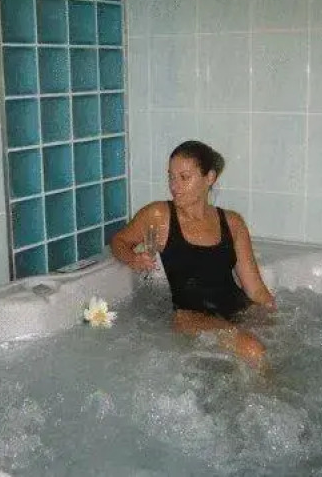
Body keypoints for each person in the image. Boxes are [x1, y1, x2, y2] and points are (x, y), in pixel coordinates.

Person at [111, 140, 276, 368]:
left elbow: (256, 289)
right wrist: (133, 259)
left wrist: (274, 319)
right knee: (253, 349)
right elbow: (119, 241)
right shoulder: (159, 216)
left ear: (210, 178)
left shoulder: (232, 222)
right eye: (171, 177)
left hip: (236, 312)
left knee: (272, 347)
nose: (174, 186)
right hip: (190, 317)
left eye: (184, 177)